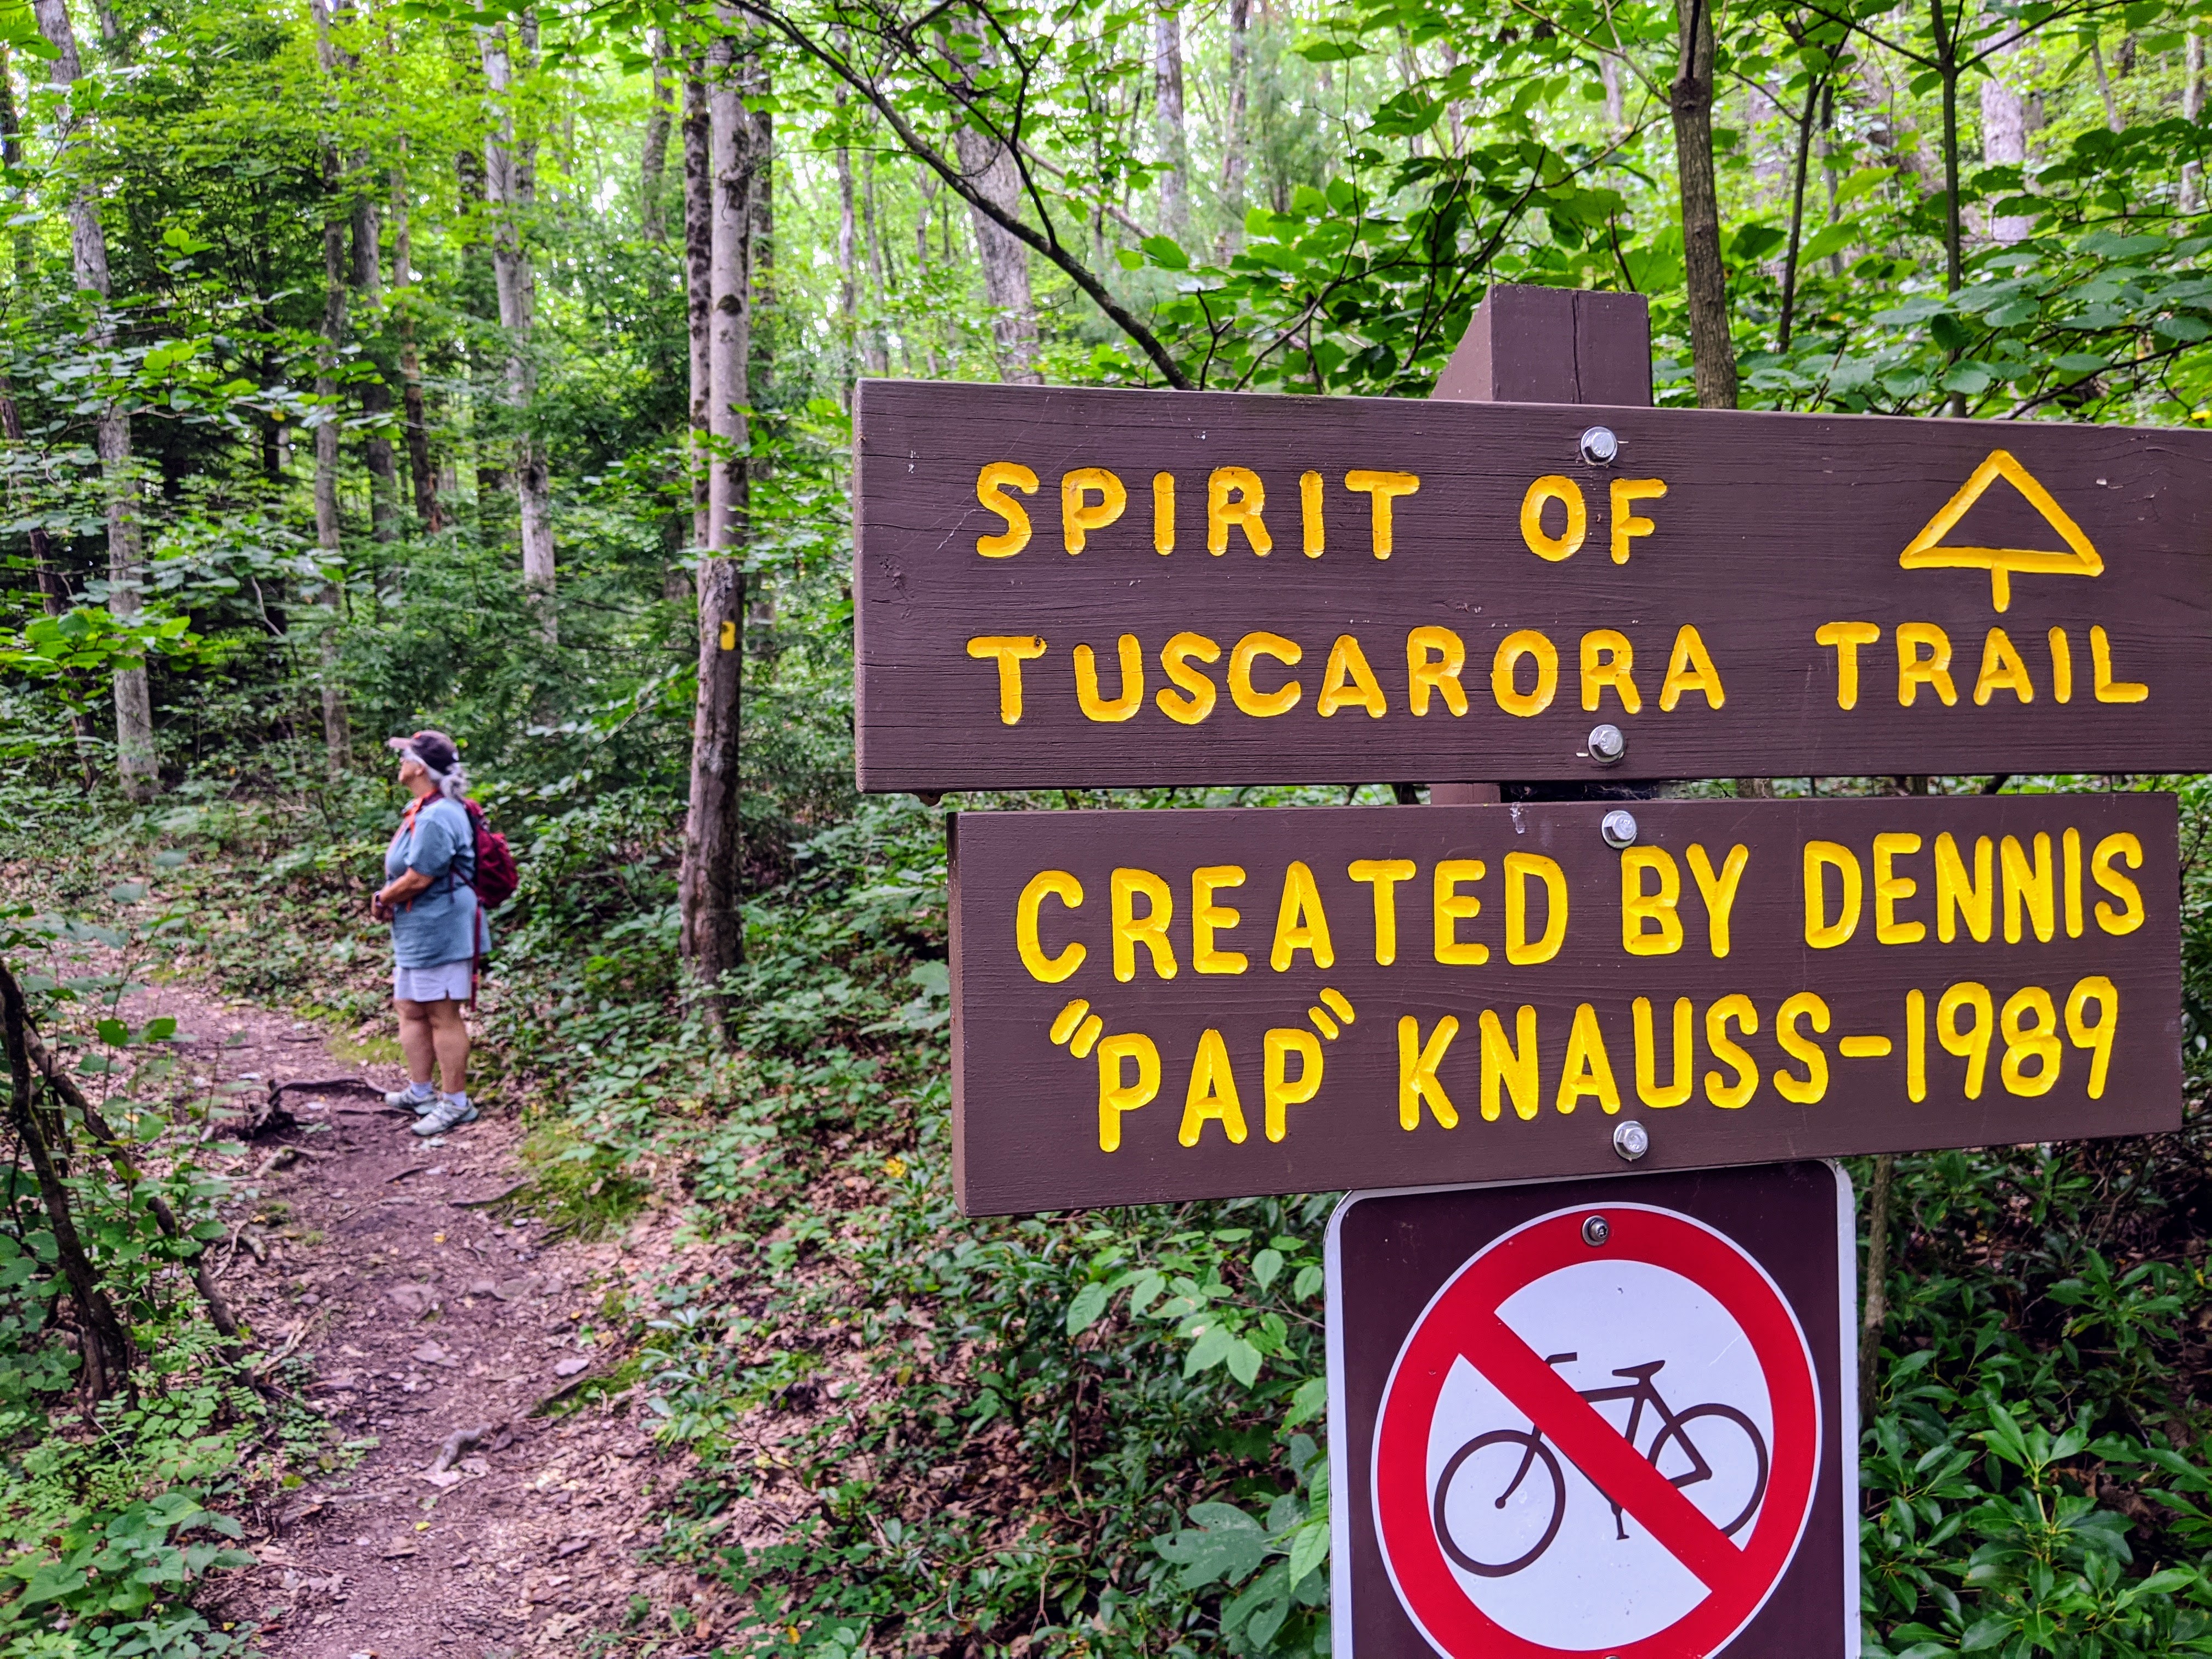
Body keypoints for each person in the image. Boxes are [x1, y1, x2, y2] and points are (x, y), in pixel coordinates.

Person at [371, 730, 488, 1137]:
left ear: (420, 767)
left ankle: (456, 1103)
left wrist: (384, 897)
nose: (399, 763)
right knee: (409, 1007)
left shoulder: (439, 815)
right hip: (419, 928)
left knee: (442, 1014)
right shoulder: (423, 807)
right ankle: (420, 1092)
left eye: (405, 756)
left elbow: (420, 877)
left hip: (442, 928)